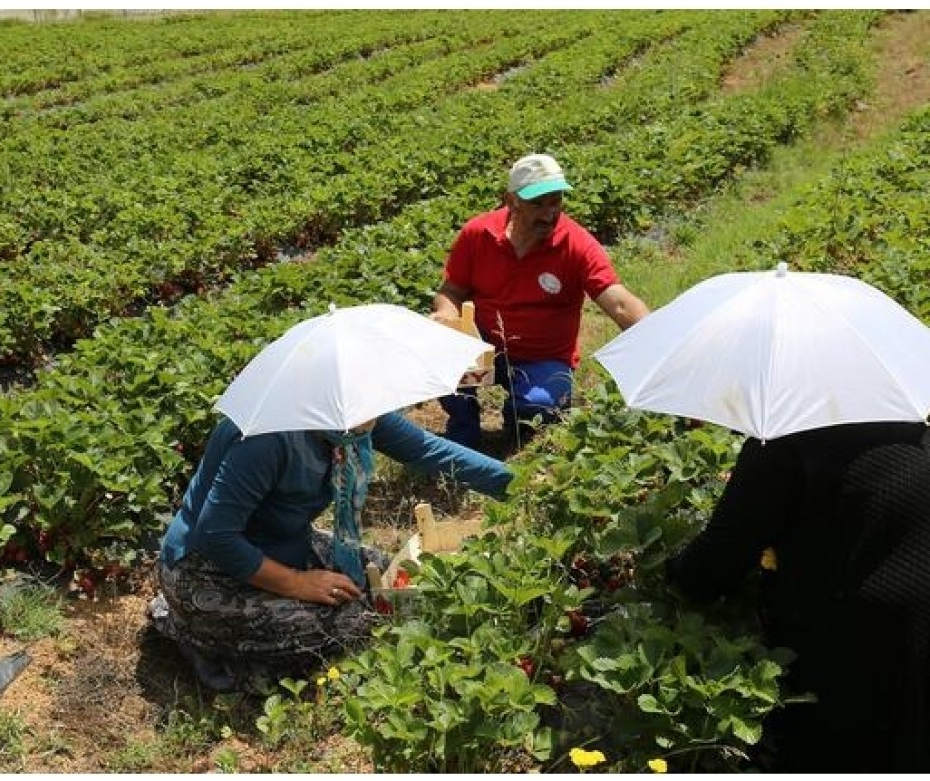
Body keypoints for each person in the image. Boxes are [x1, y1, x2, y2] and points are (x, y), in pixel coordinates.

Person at [149, 410, 511, 692]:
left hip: (286, 545)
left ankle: (227, 637)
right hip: (206, 570)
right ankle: (196, 635)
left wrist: (519, 484)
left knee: (400, 585)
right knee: (357, 625)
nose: (375, 415)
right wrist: (296, 583)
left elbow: (432, 451)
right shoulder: (264, 438)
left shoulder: (354, 419)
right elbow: (217, 536)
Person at [666, 421, 930, 772]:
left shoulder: (784, 441)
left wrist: (665, 567)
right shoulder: (913, 430)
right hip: (917, 635)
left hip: (842, 656)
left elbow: (708, 571)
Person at [430, 153, 649, 451]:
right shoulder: (478, 235)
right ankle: (464, 437)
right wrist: (446, 315)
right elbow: (451, 291)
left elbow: (620, 303)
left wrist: (658, 345)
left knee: (540, 407)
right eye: (537, 203)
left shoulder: (576, 244)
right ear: (511, 200)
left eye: (555, 202)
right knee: (444, 364)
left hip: (544, 359)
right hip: (486, 349)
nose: (548, 214)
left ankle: (518, 421)